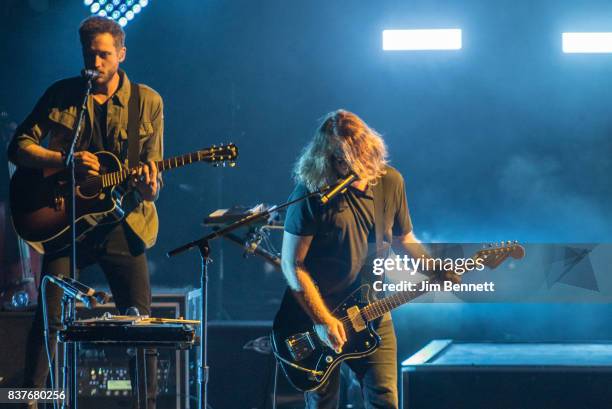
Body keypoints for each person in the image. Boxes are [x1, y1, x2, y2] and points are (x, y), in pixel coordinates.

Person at [7, 16, 163, 409]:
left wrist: (148, 186)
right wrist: (63, 159)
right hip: (65, 222)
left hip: (121, 220)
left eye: (104, 54)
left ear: (122, 54)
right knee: (49, 317)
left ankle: (145, 403)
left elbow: (152, 175)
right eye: (89, 54)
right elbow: (18, 146)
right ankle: (32, 399)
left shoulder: (148, 102)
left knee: (138, 321)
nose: (96, 61)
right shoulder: (63, 94)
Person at [280, 109, 458, 408]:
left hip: (373, 312)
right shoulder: (311, 193)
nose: (346, 167)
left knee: (385, 400)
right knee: (323, 404)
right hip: (319, 317)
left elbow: (404, 240)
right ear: (325, 158)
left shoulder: (390, 183)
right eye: (337, 160)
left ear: (369, 151)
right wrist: (321, 319)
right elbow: (291, 263)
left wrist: (433, 267)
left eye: (352, 158)